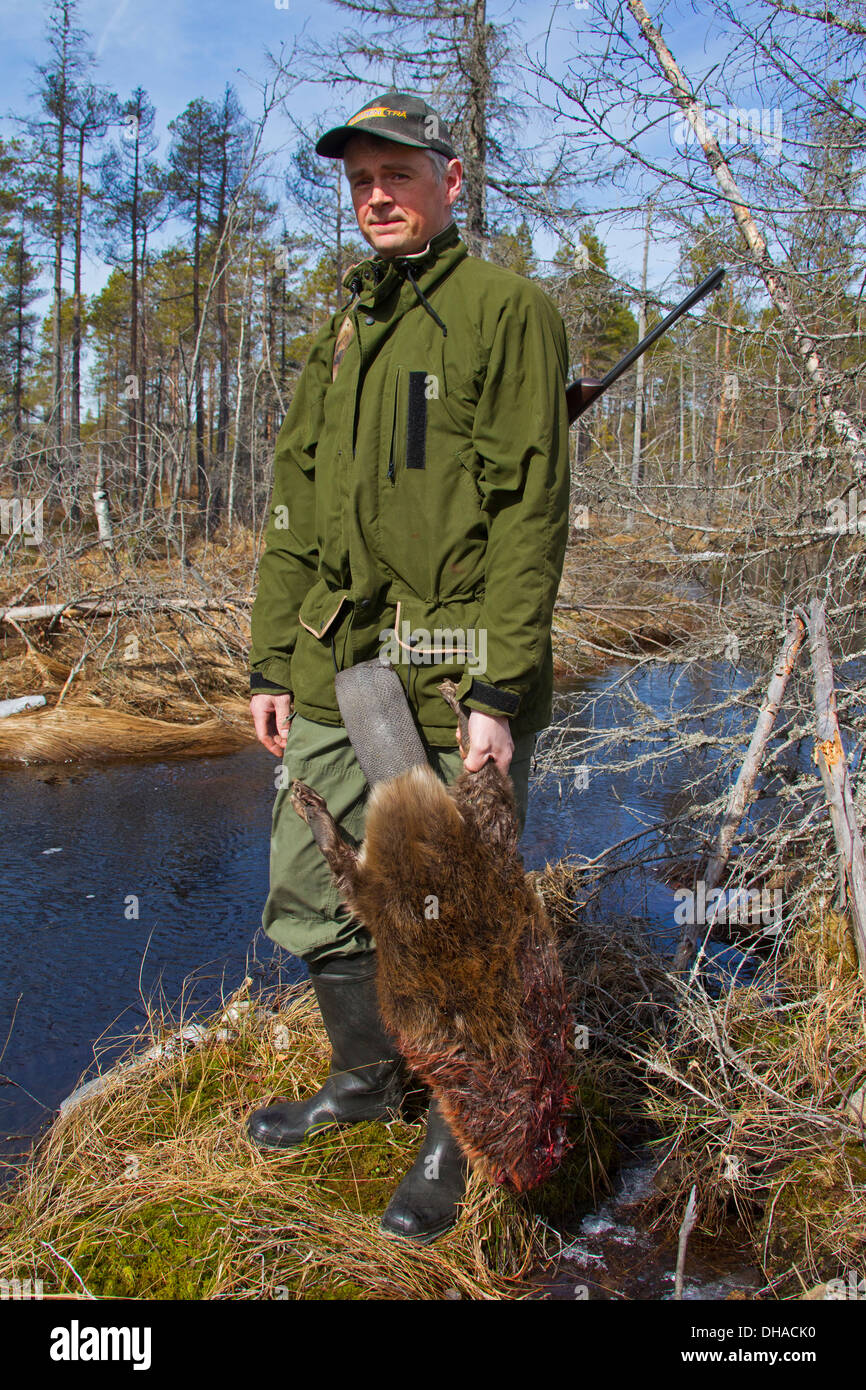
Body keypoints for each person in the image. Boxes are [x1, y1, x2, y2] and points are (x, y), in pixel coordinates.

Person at [245, 91, 571, 1243]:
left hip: (451, 658)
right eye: (358, 180)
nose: (375, 194)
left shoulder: (503, 312)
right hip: (340, 659)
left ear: (451, 178)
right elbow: (291, 511)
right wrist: (271, 660)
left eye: (398, 172)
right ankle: (365, 1081)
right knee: (310, 879)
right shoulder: (338, 330)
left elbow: (529, 514)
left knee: (450, 914)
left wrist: (497, 691)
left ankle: (454, 1130)